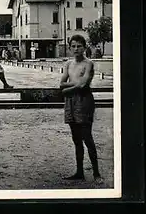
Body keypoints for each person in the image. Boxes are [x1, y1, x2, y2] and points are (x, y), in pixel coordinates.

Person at [60, 34, 101, 182]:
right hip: (71, 102)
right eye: (73, 46)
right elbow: (61, 83)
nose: (76, 49)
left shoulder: (88, 63)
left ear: (84, 47)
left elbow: (84, 85)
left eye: (79, 46)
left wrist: (67, 89)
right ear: (70, 48)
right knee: (76, 139)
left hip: (84, 101)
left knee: (87, 138)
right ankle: (79, 172)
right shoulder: (68, 64)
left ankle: (96, 173)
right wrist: (75, 84)